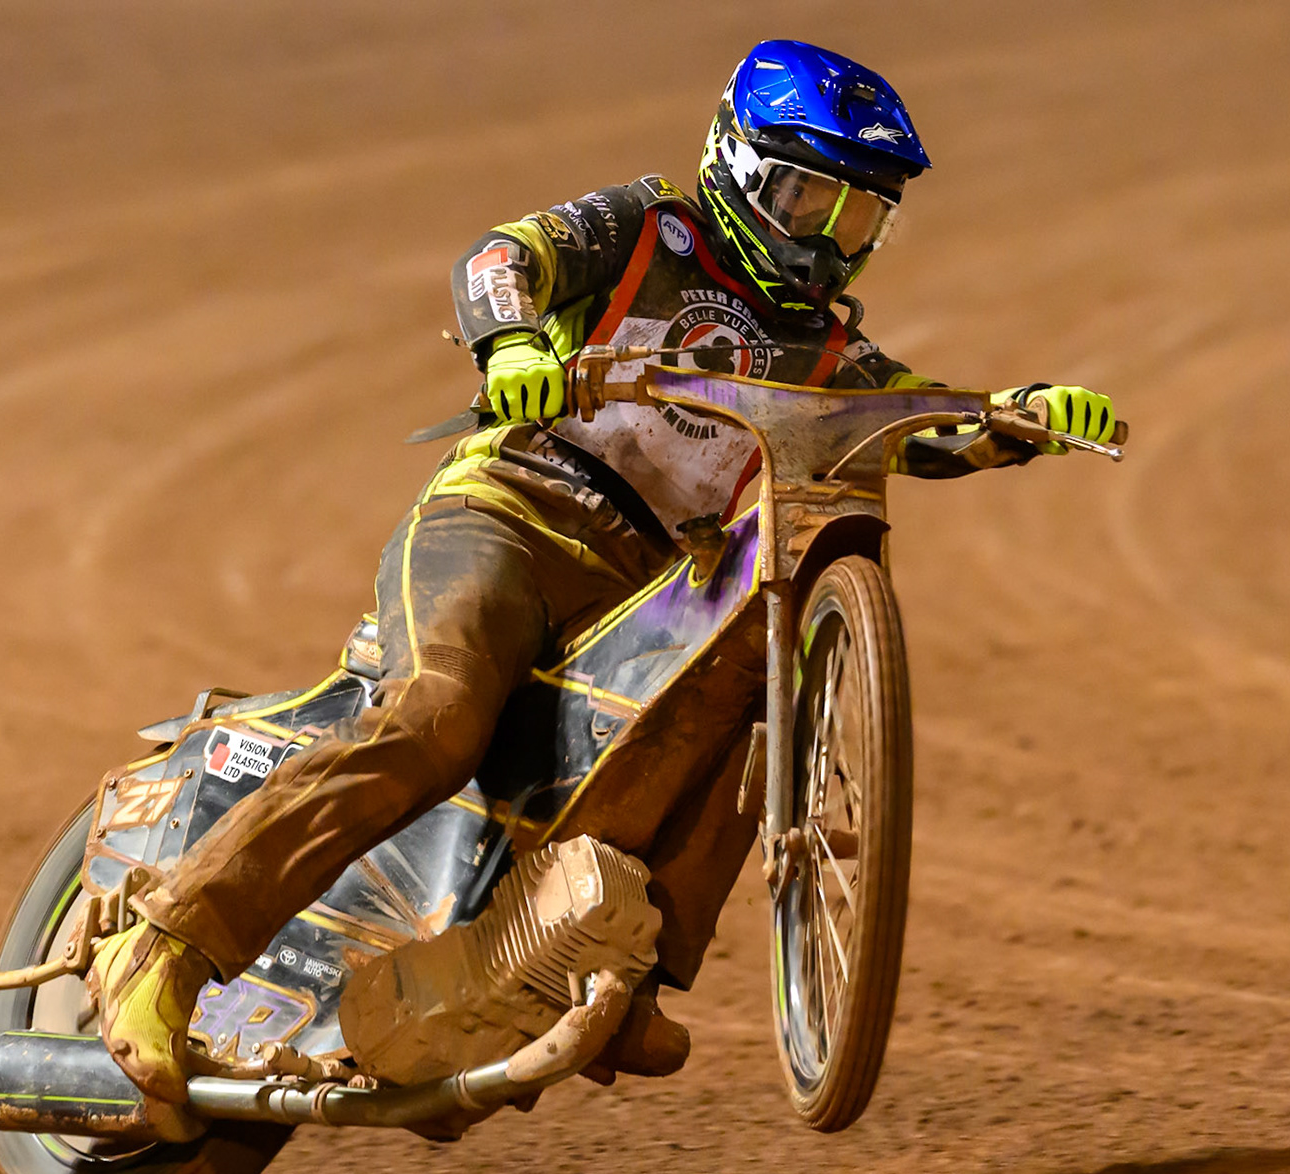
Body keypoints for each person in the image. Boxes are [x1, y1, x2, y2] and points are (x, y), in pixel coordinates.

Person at [86, 39, 1119, 1105]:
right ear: (743, 166)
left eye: (859, 218)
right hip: (511, 514)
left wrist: (1015, 418)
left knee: (742, 689)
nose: (830, 241)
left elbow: (910, 423)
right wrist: (513, 349)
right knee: (439, 715)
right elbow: (499, 258)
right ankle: (167, 945)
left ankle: (615, 974)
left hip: (639, 589)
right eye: (812, 200)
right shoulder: (648, 231)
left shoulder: (829, 353)